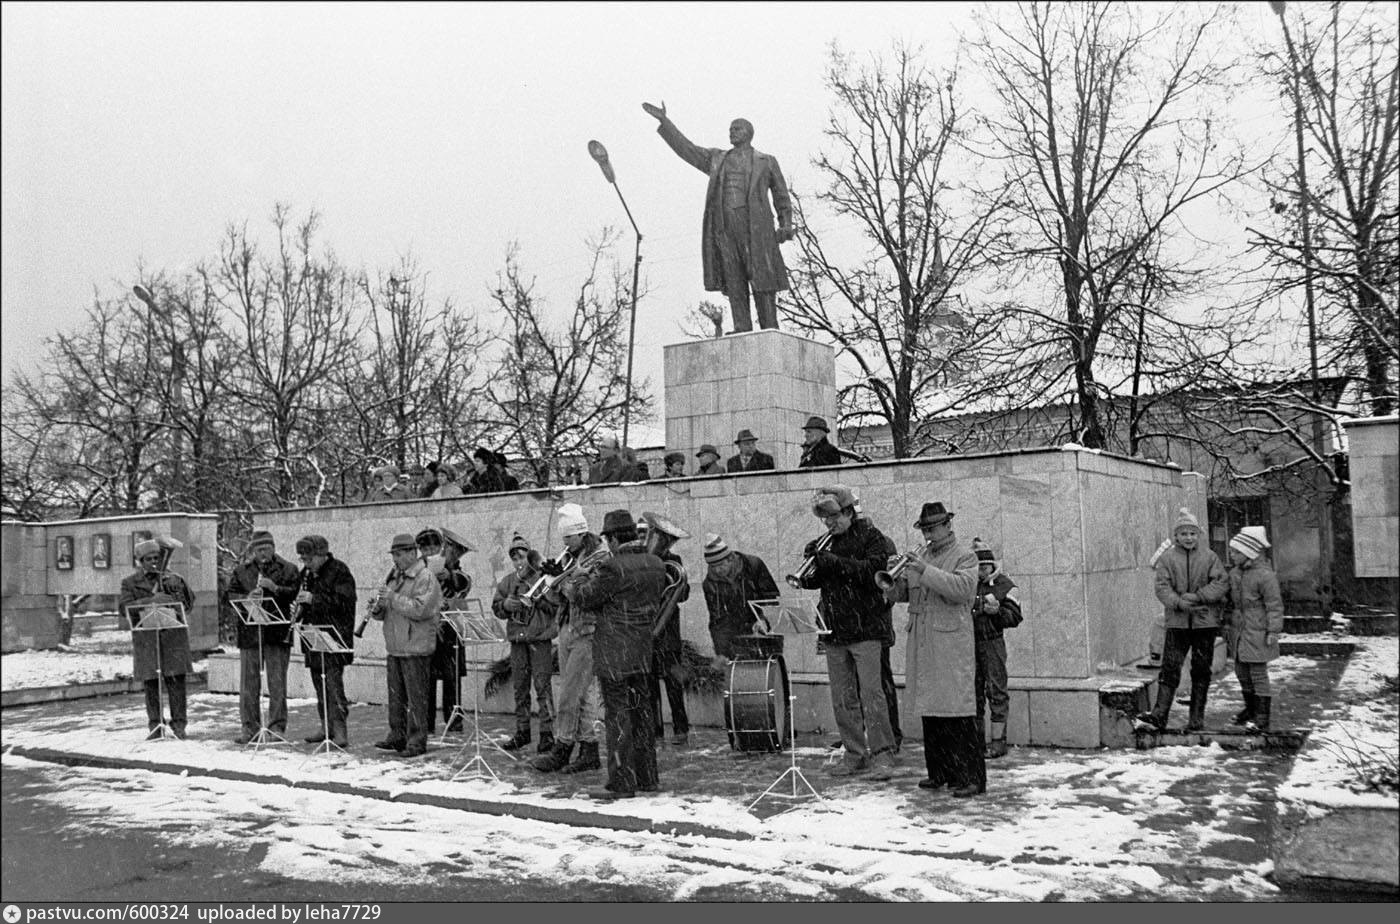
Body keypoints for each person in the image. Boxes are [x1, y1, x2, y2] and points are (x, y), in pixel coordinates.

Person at [642, 101, 794, 333]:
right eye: (731, 129)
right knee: (735, 281)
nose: (732, 132)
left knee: (762, 280)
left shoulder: (767, 161)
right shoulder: (717, 159)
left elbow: (781, 196)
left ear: (749, 134)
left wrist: (785, 224)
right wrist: (666, 122)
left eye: (737, 128)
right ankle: (742, 327)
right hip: (725, 229)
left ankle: (769, 328)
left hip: (757, 230)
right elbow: (688, 150)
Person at [794, 485, 899, 780]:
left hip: (866, 628)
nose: (830, 523)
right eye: (825, 518)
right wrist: (809, 572)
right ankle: (855, 753)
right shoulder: (825, 543)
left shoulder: (872, 537)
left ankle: (883, 753)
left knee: (872, 695)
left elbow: (873, 573)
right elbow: (819, 582)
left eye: (834, 516)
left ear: (850, 512)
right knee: (842, 697)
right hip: (835, 630)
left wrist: (835, 563)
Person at [566, 508, 668, 800]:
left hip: (614, 651)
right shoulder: (655, 563)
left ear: (612, 539)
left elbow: (585, 599)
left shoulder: (613, 567)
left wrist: (578, 579)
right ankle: (647, 777)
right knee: (642, 714)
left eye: (607, 538)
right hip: (641, 649)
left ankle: (622, 781)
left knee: (618, 716)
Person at [884, 502, 983, 796]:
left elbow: (962, 590)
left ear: (947, 526)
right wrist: (891, 581)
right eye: (924, 528)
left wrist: (924, 569)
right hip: (924, 642)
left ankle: (970, 778)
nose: (928, 534)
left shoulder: (965, 556)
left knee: (959, 713)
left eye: (932, 528)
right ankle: (939, 772)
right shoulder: (922, 557)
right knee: (932, 711)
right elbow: (904, 595)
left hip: (951, 643)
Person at [1136, 508, 1230, 733]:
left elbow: (1221, 583)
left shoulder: (1210, 557)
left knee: (1201, 671)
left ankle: (1196, 719)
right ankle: (1159, 715)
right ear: (1176, 536)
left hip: (1204, 623)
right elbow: (1162, 587)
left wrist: (1199, 597)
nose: (1188, 538)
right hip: (1177, 623)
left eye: (1192, 533)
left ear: (1199, 535)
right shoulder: (1168, 559)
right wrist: (1178, 603)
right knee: (1169, 669)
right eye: (1184, 533)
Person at [533, 504, 606, 774]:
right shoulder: (570, 558)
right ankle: (589, 750)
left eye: (569, 538)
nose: (565, 544)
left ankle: (562, 747)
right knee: (582, 695)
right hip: (567, 626)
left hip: (587, 631)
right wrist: (551, 578)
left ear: (581, 534)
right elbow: (556, 599)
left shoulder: (597, 557)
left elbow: (584, 594)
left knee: (569, 694)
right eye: (563, 538)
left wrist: (560, 581)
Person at [367, 533, 442, 758]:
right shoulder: (395, 576)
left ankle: (417, 741)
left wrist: (392, 598)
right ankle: (397, 735)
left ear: (412, 553)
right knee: (396, 696)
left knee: (416, 698)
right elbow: (388, 612)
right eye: (394, 555)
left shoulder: (425, 577)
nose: (395, 559)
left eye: (399, 554)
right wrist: (377, 608)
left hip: (416, 645)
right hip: (395, 645)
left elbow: (421, 609)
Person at [228, 530, 300, 744]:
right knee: (249, 684)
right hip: (250, 633)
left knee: (277, 683)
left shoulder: (288, 568)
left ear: (273, 548)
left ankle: (277, 728)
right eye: (259, 549)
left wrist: (274, 588)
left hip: (277, 633)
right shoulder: (242, 571)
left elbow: (294, 593)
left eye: (267, 548)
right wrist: (246, 598)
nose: (263, 553)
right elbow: (229, 595)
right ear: (253, 551)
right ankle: (249, 728)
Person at [118, 537, 194, 740]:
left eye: (157, 557)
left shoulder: (173, 579)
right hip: (147, 639)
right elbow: (124, 608)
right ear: (140, 562)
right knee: (152, 684)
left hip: (173, 637)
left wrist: (173, 595)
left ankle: (179, 726)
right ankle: (155, 725)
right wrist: (151, 600)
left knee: (176, 683)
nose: (154, 562)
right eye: (149, 559)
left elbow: (188, 604)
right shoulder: (130, 583)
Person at [491, 533, 558, 754]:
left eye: (522, 557)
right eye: (515, 558)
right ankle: (522, 731)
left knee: (542, 688)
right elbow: (497, 606)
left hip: (540, 641)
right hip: (518, 642)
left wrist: (537, 595)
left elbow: (555, 607)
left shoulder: (544, 579)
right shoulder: (508, 581)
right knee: (520, 688)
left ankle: (547, 734)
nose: (519, 562)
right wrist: (506, 606)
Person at [292, 535, 357, 748]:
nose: (306, 563)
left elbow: (345, 602)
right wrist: (298, 609)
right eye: (303, 559)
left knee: (333, 684)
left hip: (334, 636)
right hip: (312, 635)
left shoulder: (339, 571)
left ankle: (340, 730)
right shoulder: (308, 574)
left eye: (309, 559)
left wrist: (314, 599)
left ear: (321, 555)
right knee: (319, 683)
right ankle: (326, 726)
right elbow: (302, 597)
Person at [1225, 527, 1284, 734]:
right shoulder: (1234, 574)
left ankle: (1262, 716)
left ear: (1249, 552)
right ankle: (1250, 709)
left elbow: (1274, 605)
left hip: (1258, 631)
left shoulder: (1265, 576)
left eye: (1235, 552)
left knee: (1258, 673)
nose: (1231, 555)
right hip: (1239, 631)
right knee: (1241, 672)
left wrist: (1273, 630)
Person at [642, 512, 692, 747]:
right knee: (650, 685)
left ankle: (681, 729)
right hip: (645, 630)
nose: (662, 541)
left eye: (665, 538)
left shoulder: (675, 561)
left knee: (674, 684)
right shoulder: (641, 561)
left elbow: (684, 593)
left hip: (668, 632)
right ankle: (655, 729)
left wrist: (668, 580)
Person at [971, 538, 1022, 760]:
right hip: (969, 643)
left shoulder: (1005, 585)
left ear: (992, 566)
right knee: (973, 694)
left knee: (996, 690)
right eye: (978, 567)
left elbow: (1015, 617)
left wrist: (997, 612)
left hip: (992, 642)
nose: (981, 572)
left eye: (984, 567)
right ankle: (976, 741)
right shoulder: (968, 583)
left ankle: (998, 741)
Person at [700, 533, 780, 660]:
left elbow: (772, 598)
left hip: (762, 624)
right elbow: (717, 620)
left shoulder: (754, 565)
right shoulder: (710, 584)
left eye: (720, 565)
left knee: (767, 663)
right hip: (735, 629)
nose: (717, 571)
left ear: (730, 558)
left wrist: (763, 618)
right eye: (713, 567)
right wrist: (721, 653)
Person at [428, 527, 473, 734]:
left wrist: (449, 576)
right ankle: (427, 723)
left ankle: (454, 723)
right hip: (430, 631)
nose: (450, 553)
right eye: (448, 548)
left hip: (450, 632)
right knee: (428, 680)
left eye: (455, 550)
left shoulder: (461, 575)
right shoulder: (429, 569)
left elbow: (462, 583)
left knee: (451, 680)